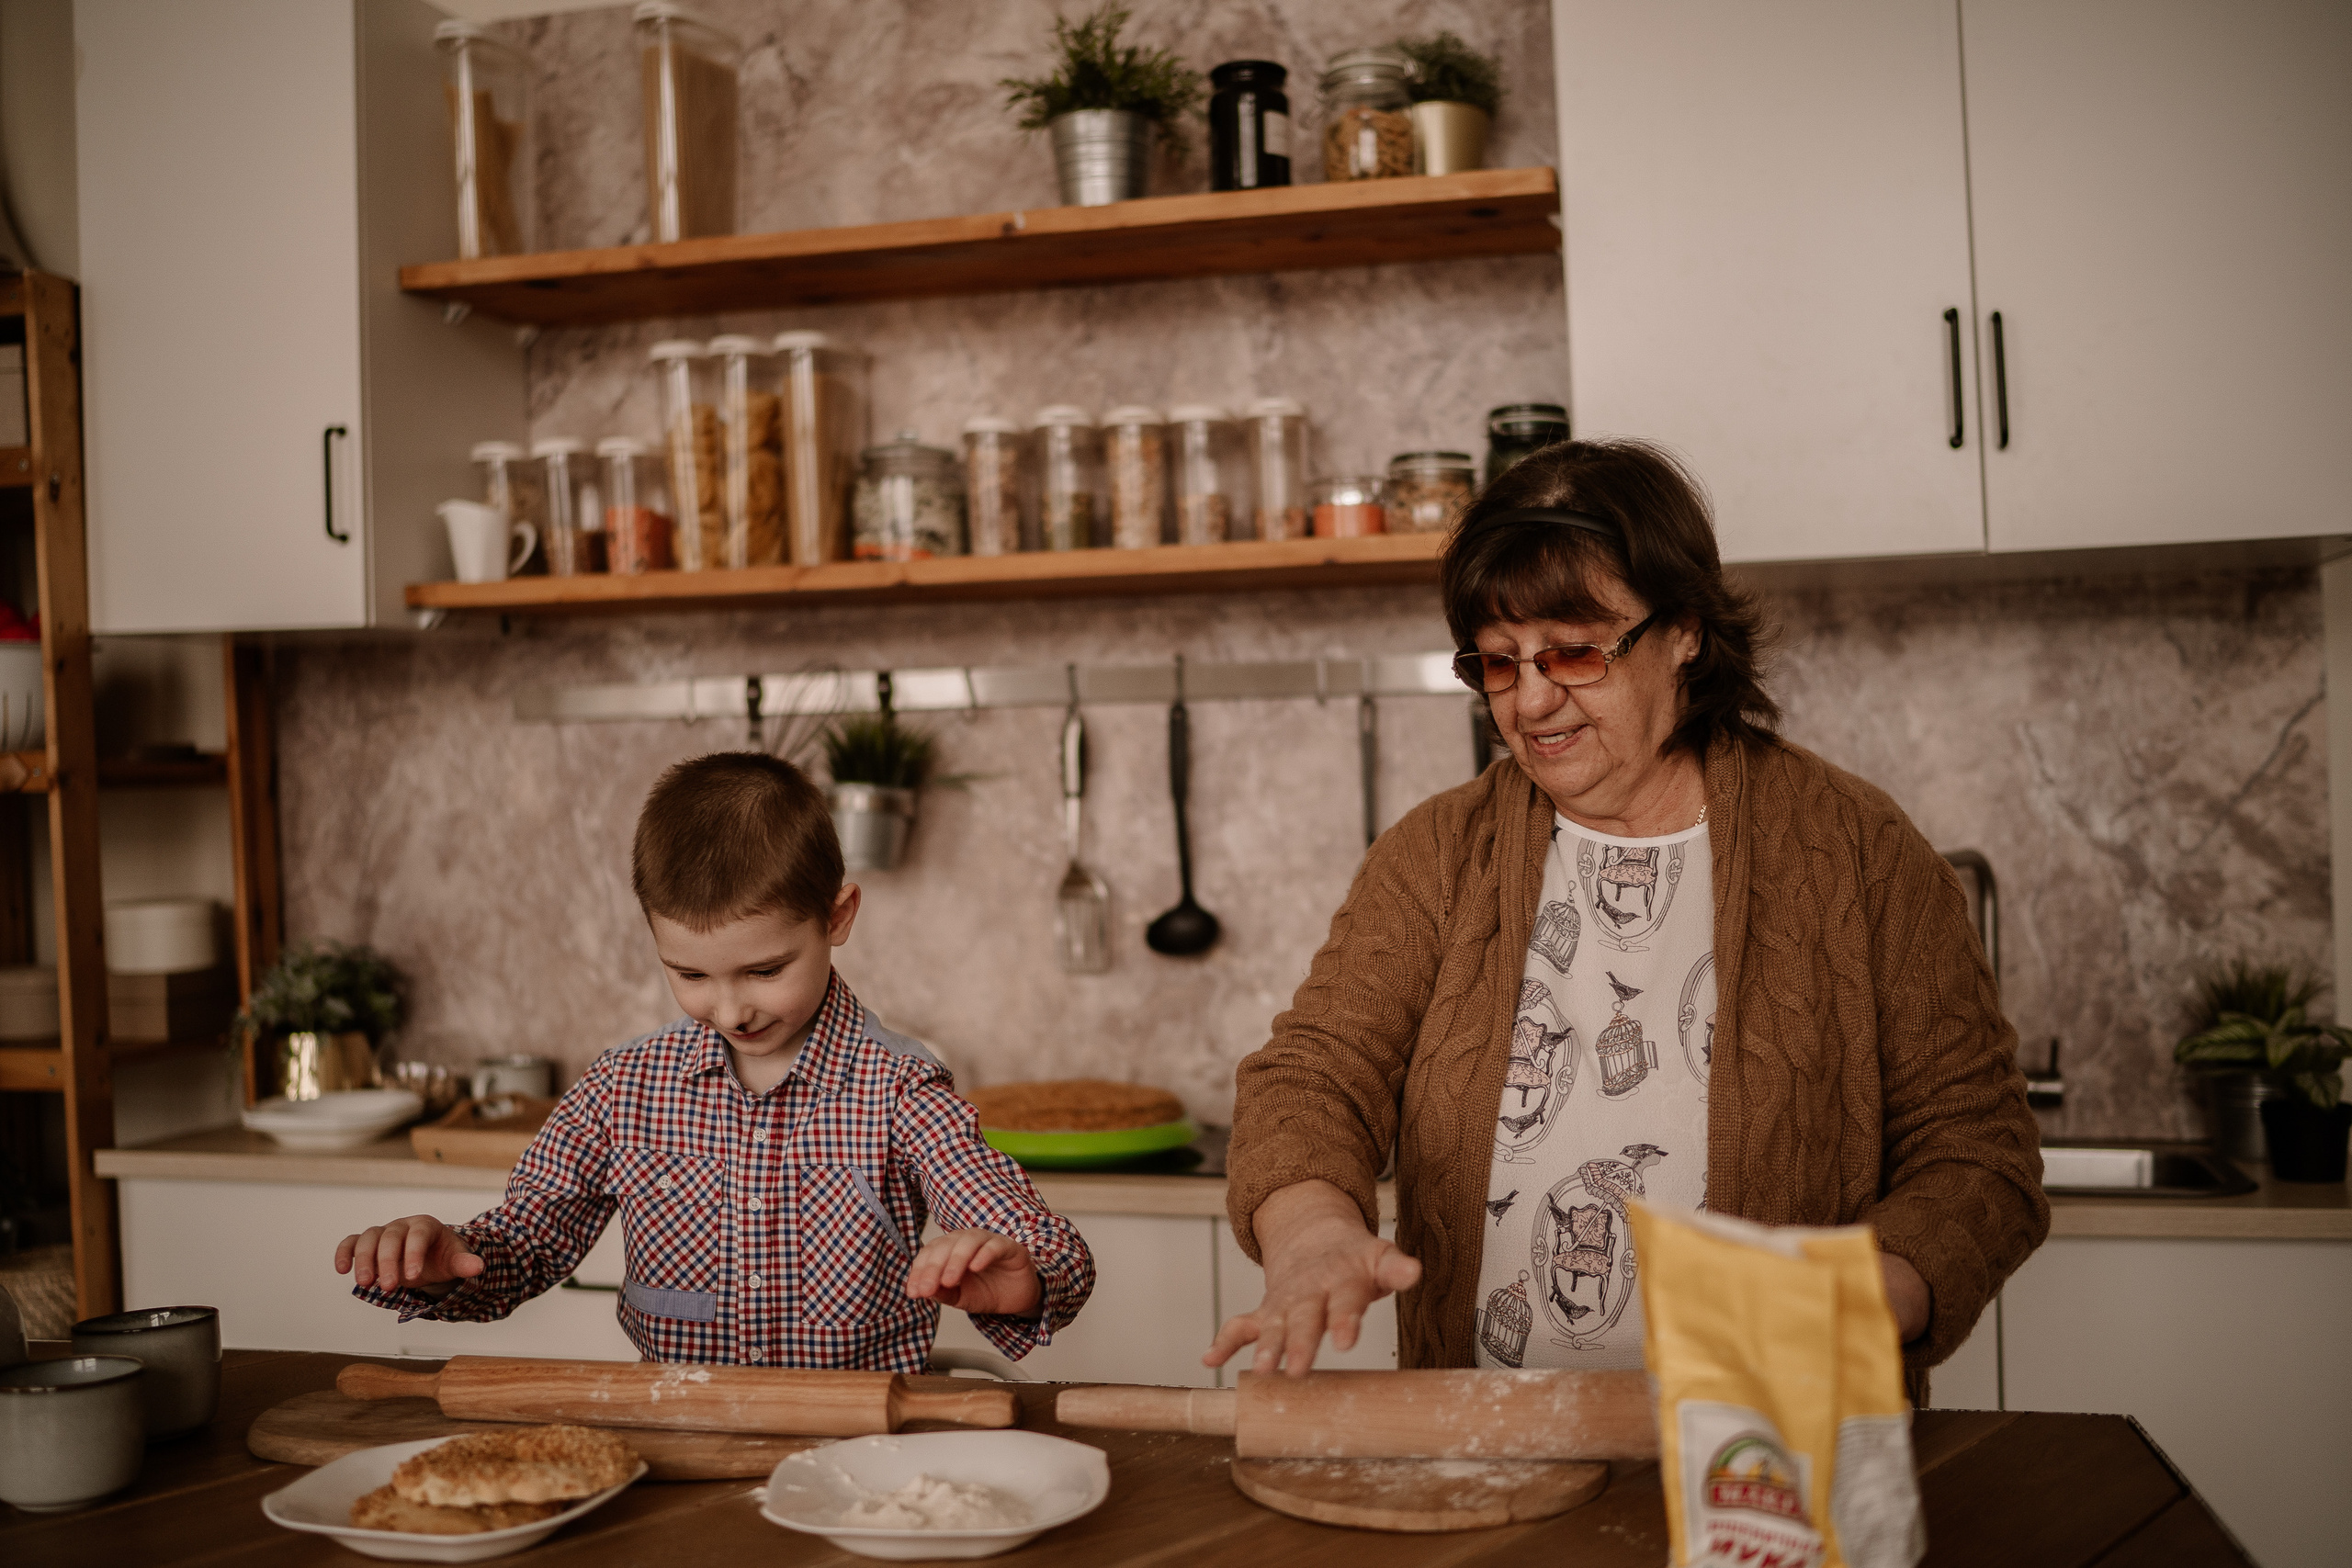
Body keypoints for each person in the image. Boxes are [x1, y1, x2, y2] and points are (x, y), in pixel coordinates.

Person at [1208, 439, 2046, 1393]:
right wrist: (1315, 1237)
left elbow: (1978, 1149)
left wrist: (1864, 1296)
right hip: (1492, 1447)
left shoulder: (1856, 849)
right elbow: (1313, 1077)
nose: (1530, 699)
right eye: (1498, 661)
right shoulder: (1436, 856)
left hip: (1769, 1461)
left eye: (1573, 651)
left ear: (1684, 631)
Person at [334, 751, 1094, 1370]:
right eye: (691, 974)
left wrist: (1025, 1276)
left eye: (764, 970)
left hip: (857, 1454)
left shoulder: (898, 1089)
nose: (731, 1010)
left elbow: (1045, 1243)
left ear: (838, 916)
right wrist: (449, 1258)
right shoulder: (622, 1089)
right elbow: (523, 1247)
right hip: (675, 1446)